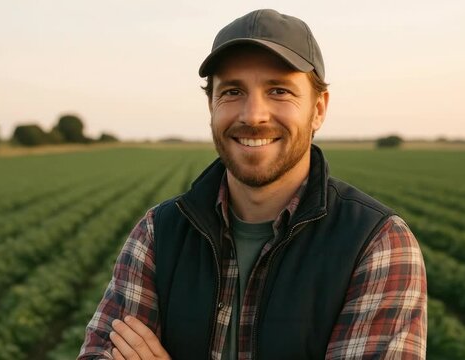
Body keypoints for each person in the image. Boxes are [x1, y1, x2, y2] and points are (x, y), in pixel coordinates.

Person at [78, 9, 427, 360]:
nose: (252, 115)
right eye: (232, 91)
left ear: (318, 109)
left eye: (278, 90)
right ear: (211, 105)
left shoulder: (376, 243)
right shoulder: (158, 234)